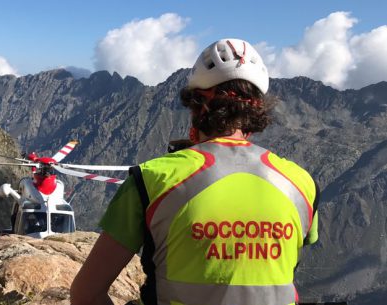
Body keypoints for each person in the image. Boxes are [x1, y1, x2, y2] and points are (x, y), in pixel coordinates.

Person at [70, 38, 319, 305]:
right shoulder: (301, 184)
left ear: (197, 106)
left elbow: (86, 294)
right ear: (254, 112)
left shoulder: (152, 180)